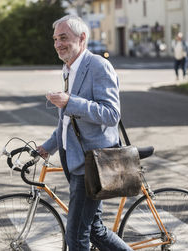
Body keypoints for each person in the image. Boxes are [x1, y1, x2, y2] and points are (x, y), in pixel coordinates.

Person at [36, 15, 131, 251]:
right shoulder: (68, 68)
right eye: (56, 39)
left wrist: (71, 101)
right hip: (75, 160)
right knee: (95, 230)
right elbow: (67, 122)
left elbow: (111, 114)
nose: (58, 43)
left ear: (82, 38)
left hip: (92, 164)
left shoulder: (98, 66)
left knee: (76, 237)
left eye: (64, 38)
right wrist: (47, 147)